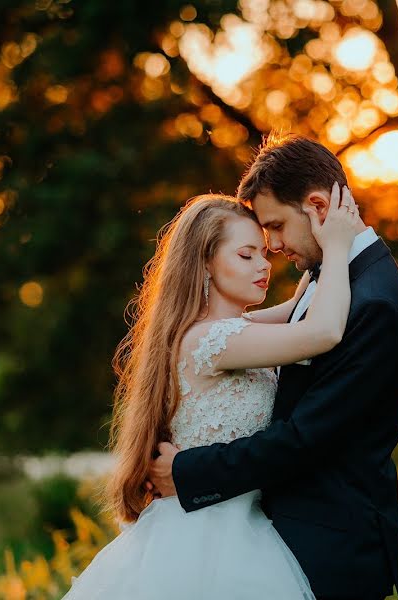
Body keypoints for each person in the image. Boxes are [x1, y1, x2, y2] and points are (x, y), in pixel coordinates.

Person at [148, 135, 398, 600]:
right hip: (267, 540)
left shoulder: (371, 303)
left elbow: (305, 438)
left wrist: (191, 472)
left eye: (274, 227)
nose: (272, 247)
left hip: (331, 546)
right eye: (252, 246)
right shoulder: (328, 281)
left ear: (317, 207)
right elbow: (249, 329)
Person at [63, 187, 364, 599]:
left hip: (237, 524)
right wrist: (337, 245)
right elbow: (324, 330)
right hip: (207, 539)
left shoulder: (218, 332)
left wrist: (312, 246)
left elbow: (298, 309)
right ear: (204, 263)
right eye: (246, 255)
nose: (263, 265)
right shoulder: (213, 341)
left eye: (264, 253)